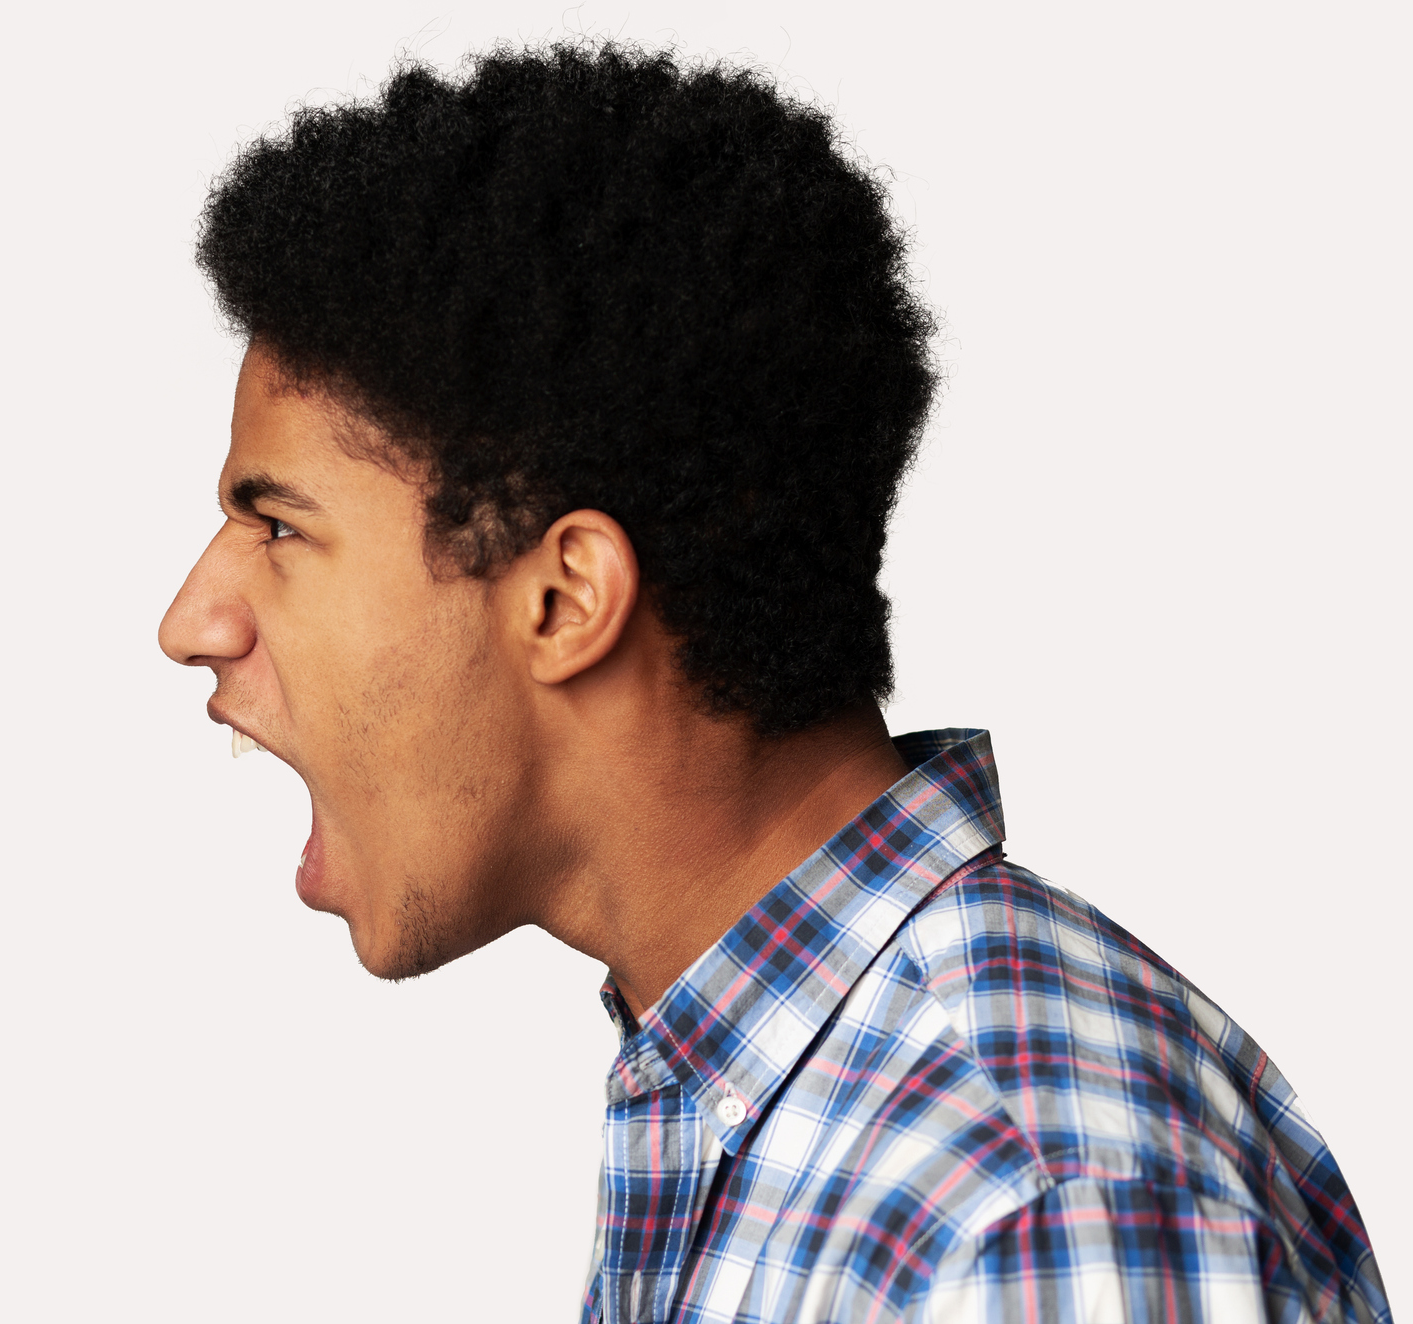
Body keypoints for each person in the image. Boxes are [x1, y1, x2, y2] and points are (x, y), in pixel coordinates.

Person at [156, 40, 1387, 1324]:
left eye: (278, 525)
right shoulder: (769, 1108)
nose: (191, 622)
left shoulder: (1018, 1210)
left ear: (565, 597)